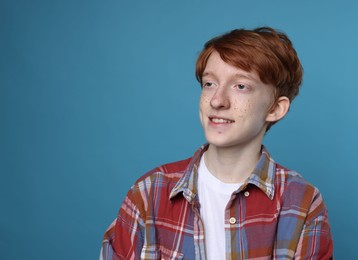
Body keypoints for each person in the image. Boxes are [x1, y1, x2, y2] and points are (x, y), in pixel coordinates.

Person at [100, 27, 333, 259]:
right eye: (209, 84)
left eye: (240, 86)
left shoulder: (303, 203)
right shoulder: (148, 193)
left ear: (274, 108)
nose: (217, 100)